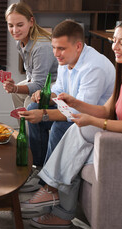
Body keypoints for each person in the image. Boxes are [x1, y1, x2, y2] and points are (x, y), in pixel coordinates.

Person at [20, 17, 122, 228]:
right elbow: (106, 110)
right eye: (114, 40)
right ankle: (54, 197)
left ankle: (52, 192)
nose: (114, 47)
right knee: (77, 140)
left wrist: (94, 121)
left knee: (77, 137)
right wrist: (75, 102)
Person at [19, 19, 115, 192]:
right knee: (33, 109)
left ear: (78, 46)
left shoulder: (94, 68)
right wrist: (46, 97)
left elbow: (77, 112)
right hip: (75, 110)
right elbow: (60, 91)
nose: (56, 53)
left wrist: (45, 115)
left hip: (93, 119)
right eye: (54, 47)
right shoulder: (66, 59)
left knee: (59, 126)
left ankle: (47, 185)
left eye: (61, 48)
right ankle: (38, 169)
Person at [3, 2, 58, 109]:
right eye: (10, 25)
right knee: (16, 94)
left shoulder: (41, 47)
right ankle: (22, 125)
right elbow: (30, 73)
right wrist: (15, 89)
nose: (15, 31)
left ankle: (28, 125)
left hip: (54, 83)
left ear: (31, 22)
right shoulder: (20, 41)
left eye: (20, 25)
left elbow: (39, 85)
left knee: (29, 103)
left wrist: (15, 88)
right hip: (40, 80)